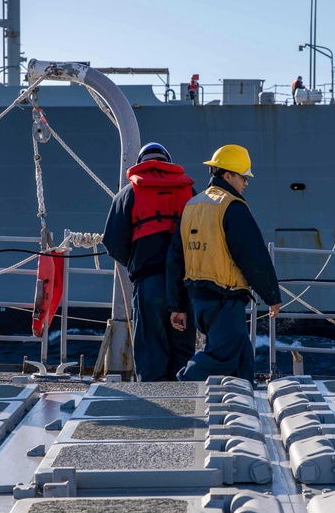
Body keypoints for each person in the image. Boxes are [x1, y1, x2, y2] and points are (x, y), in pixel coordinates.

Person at [166, 144, 281, 383]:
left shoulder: (192, 205)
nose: (246, 183)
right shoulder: (232, 207)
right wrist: (272, 296)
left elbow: (176, 259)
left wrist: (177, 305)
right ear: (227, 175)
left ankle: (244, 390)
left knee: (240, 356)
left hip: (199, 300)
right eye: (243, 177)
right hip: (224, 300)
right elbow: (253, 255)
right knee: (221, 357)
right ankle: (181, 386)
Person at [103, 142, 196, 381]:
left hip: (149, 282)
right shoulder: (189, 191)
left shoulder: (128, 193)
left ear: (140, 163)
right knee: (183, 344)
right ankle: (186, 397)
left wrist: (135, 263)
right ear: (168, 161)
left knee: (151, 345)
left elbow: (112, 243)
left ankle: (156, 400)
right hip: (185, 283)